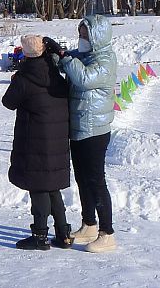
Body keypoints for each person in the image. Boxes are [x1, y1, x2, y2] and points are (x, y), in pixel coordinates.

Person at [46, 15, 118, 252]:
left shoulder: (106, 60)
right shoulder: (84, 55)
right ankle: (89, 223)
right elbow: (66, 63)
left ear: (97, 36)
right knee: (82, 178)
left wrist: (66, 58)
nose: (81, 39)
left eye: (85, 35)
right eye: (80, 34)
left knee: (96, 180)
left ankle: (107, 233)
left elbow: (83, 78)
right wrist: (55, 52)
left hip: (95, 130)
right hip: (78, 126)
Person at [2, 35, 72, 250]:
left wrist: (16, 80)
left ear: (25, 53)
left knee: (39, 188)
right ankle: (64, 234)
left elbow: (8, 102)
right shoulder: (56, 75)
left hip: (35, 140)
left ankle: (40, 235)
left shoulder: (24, 78)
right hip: (57, 140)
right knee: (53, 188)